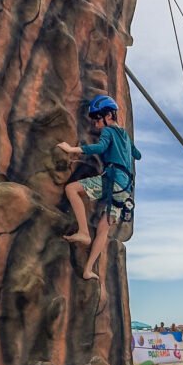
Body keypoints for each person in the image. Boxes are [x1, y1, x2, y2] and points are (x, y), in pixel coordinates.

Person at [58, 94, 142, 288]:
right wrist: (126, 147)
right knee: (104, 228)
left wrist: (72, 150)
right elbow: (138, 155)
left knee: (72, 189)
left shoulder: (108, 132)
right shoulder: (125, 136)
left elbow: (101, 146)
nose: (95, 123)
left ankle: (83, 232)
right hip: (124, 189)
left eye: (97, 118)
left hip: (111, 180)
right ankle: (88, 270)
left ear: (107, 116)